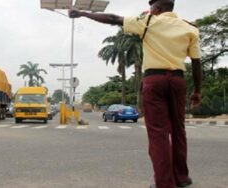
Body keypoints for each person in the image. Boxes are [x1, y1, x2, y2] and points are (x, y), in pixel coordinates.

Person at [68, 0, 202, 187]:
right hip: (178, 81)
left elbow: (114, 18)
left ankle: (164, 183)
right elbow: (196, 62)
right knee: (179, 130)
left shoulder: (148, 22)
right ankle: (181, 177)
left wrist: (83, 13)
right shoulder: (190, 28)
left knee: (158, 133)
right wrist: (197, 91)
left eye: (152, 7)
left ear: (157, 8)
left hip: (154, 80)